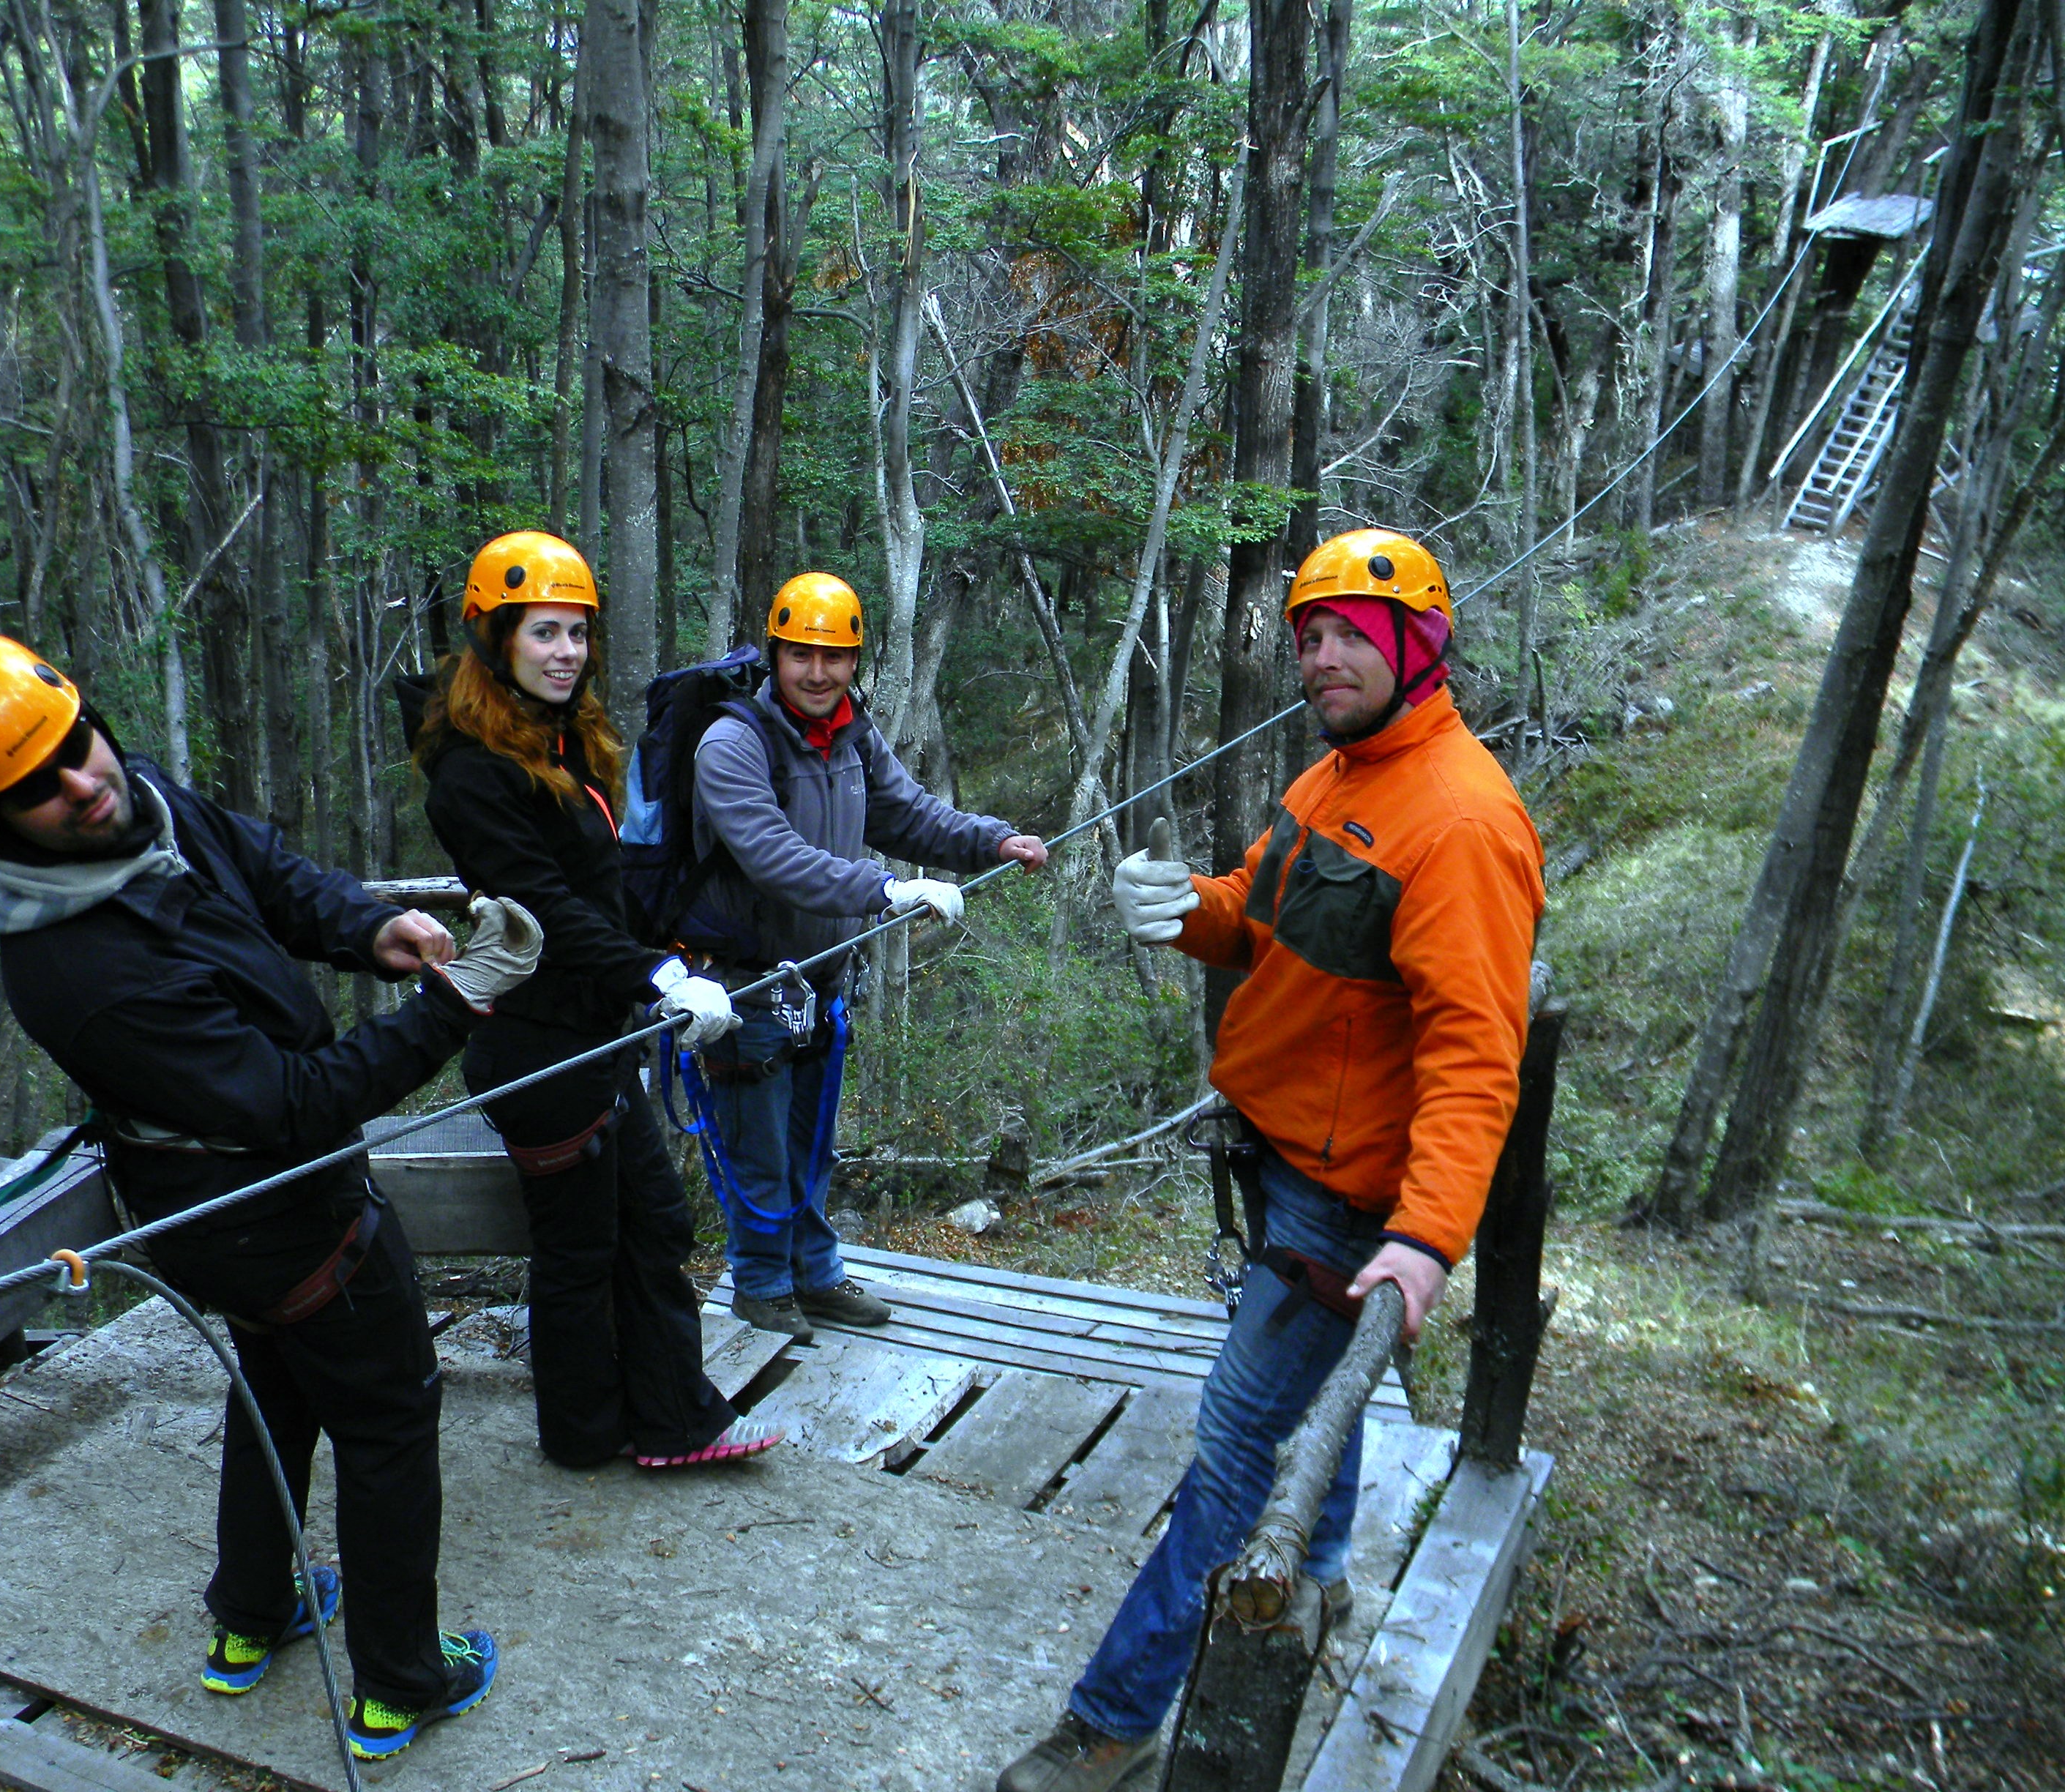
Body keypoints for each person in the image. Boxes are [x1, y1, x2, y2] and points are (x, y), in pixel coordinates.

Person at [0, 630, 527, 1763]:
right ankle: (400, 1682)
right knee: (386, 1419)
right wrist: (455, 1003)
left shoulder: (142, 807)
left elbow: (265, 871)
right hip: (269, 1213)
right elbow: (292, 1104)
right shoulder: (76, 968)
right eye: (40, 787)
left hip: (243, 1209)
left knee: (276, 1384)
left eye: (77, 746)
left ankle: (251, 1614)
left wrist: (366, 926)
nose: (83, 785)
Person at [996, 529, 1545, 1792]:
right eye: (1310, 635)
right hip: (1285, 1161)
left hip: (1349, 1204)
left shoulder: (1462, 822)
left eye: (1352, 633)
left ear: (1419, 644)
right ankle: (1320, 1574)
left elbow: (1476, 1059)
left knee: (1237, 1443)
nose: (1322, 657)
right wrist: (1181, 907)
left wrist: (1423, 1239)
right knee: (1292, 1410)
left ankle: (1113, 1718)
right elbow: (1258, 912)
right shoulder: (1336, 774)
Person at [412, 529, 785, 1471]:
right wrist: (654, 977)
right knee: (583, 1248)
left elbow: (603, 888)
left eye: (578, 634)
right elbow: (543, 907)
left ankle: (665, 1422)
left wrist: (666, 954)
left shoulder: (559, 742)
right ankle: (591, 1435)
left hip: (589, 1034)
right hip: (538, 1046)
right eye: (544, 633)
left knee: (648, 1226)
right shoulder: (472, 774)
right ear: (495, 639)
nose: (566, 653)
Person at [686, 572, 1049, 1341]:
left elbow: (909, 815)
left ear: (855, 661)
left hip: (820, 980)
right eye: (801, 656)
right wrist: (884, 890)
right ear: (776, 655)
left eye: (834, 657)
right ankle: (761, 1285)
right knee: (760, 1147)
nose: (817, 673)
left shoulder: (853, 737)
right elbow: (772, 856)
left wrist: (992, 840)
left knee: (812, 1144)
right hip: (747, 986)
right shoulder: (733, 744)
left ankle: (815, 1276)